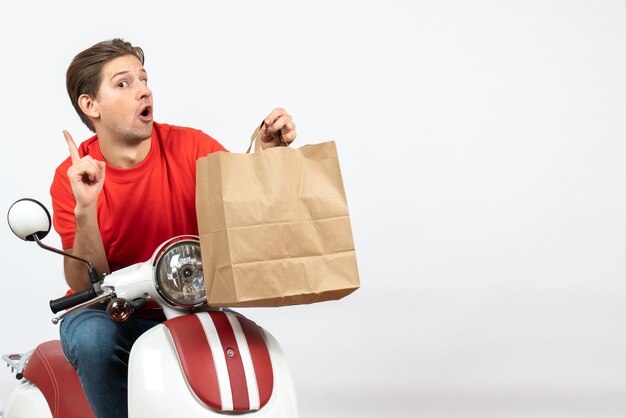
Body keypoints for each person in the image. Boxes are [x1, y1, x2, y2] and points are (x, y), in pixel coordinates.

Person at [50, 38, 297, 418]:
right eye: (123, 83)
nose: (143, 89)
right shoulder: (75, 175)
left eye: (143, 79)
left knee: (247, 344)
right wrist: (86, 207)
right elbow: (86, 283)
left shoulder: (191, 147)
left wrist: (267, 157)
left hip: (190, 306)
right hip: (108, 312)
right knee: (94, 338)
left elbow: (245, 208)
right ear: (90, 105)